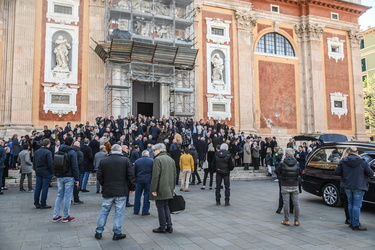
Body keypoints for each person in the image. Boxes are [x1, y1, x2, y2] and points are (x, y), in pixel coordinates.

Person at [95, 144, 135, 240]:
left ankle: (99, 231)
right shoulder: (125, 160)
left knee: (104, 210)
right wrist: (132, 187)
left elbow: (99, 176)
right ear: (120, 151)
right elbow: (131, 175)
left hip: (108, 189)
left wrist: (104, 184)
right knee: (119, 212)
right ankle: (117, 232)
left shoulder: (104, 161)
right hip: (121, 190)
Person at [335, 146, 374, 231]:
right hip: (359, 186)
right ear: (357, 152)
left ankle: (352, 222)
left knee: (350, 204)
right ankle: (355, 224)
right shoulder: (362, 162)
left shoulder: (343, 161)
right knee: (356, 206)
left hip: (347, 185)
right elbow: (371, 173)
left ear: (349, 151)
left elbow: (337, 172)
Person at [52, 137, 80, 223]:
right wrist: (77, 179)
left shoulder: (58, 151)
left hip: (60, 175)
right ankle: (66, 216)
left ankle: (55, 215)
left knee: (59, 195)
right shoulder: (72, 152)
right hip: (69, 176)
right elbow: (75, 166)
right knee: (67, 196)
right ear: (72, 143)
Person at [150, 143, 176, 233]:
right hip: (169, 187)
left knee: (160, 206)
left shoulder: (157, 159)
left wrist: (153, 189)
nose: (153, 152)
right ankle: (169, 225)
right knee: (166, 206)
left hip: (160, 187)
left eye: (154, 150)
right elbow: (174, 174)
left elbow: (155, 176)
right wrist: (173, 187)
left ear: (159, 150)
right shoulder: (170, 159)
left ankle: (162, 226)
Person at [278, 148, 301, 226]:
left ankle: (286, 220)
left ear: (286, 154)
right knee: (296, 203)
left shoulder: (282, 163)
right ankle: (296, 220)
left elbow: (277, 171)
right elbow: (299, 172)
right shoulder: (297, 163)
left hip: (285, 184)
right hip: (294, 184)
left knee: (286, 203)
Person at [33, 139, 54, 208]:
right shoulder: (48, 152)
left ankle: (36, 202)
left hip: (38, 170)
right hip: (46, 171)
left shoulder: (36, 152)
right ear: (48, 144)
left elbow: (34, 162)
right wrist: (52, 172)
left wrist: (35, 169)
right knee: (45, 188)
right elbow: (50, 163)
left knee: (38, 187)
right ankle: (43, 203)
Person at [133, 150, 153, 215]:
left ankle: (136, 210)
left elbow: (134, 171)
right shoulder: (152, 161)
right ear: (148, 155)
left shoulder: (137, 161)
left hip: (139, 180)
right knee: (147, 195)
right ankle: (145, 210)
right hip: (148, 180)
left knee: (137, 195)